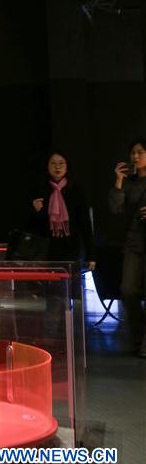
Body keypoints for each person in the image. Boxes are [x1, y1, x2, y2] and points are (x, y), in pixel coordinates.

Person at [109, 139, 146, 358]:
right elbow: (116, 208)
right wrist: (119, 180)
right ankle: (138, 336)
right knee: (128, 290)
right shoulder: (129, 182)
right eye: (133, 152)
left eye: (140, 152)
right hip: (134, 241)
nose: (135, 156)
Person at [30, 151, 96, 269]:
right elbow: (34, 226)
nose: (57, 167)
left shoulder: (76, 191)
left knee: (70, 280)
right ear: (47, 166)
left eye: (61, 163)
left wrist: (91, 256)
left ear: (67, 167)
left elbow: (85, 224)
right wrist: (36, 211)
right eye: (53, 163)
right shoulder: (41, 190)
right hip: (47, 251)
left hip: (71, 249)